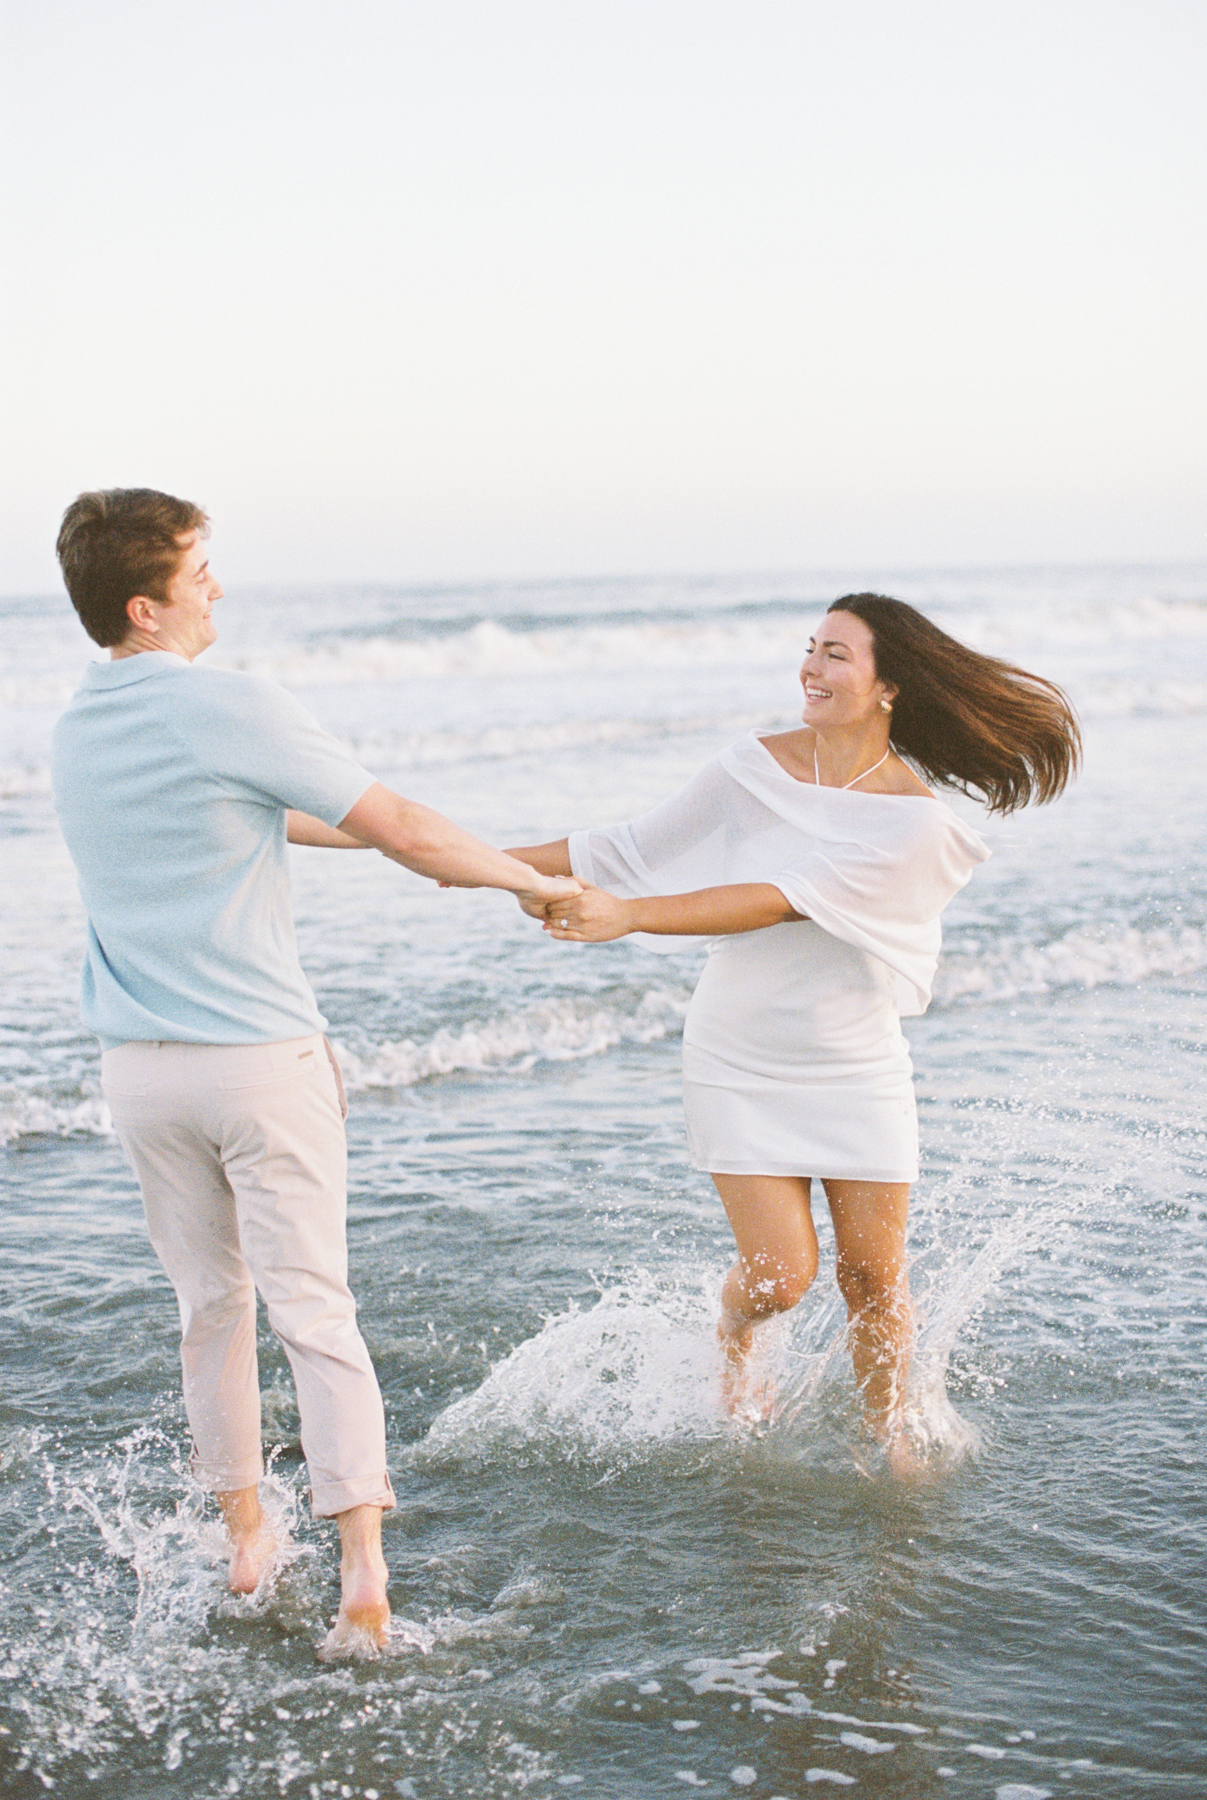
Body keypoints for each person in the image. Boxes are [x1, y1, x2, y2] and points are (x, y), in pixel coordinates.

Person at [51, 488, 580, 1650]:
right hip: (256, 1063)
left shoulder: (78, 725)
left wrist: (448, 858)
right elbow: (393, 818)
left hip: (140, 1075)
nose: (218, 590)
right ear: (146, 607)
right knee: (317, 1315)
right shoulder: (227, 702)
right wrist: (525, 881)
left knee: (211, 1314)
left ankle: (246, 1545)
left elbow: (277, 820)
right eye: (201, 576)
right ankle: (363, 1575)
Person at [510, 595, 1080, 1469]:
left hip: (853, 1063)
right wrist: (480, 859)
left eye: (836, 655)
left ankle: (883, 1433)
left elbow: (781, 898)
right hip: (737, 1055)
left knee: (872, 1277)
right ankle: (734, 1333)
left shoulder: (915, 825)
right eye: (809, 649)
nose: (810, 669)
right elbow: (626, 845)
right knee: (780, 1277)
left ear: (889, 684)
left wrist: (630, 918)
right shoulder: (750, 767)